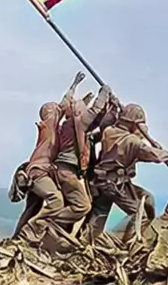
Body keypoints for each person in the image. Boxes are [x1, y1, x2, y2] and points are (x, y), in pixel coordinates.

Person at [85, 103, 168, 241]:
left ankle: (86, 241)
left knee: (147, 199)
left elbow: (130, 152)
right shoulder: (132, 141)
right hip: (115, 185)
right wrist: (161, 150)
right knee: (139, 215)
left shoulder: (109, 131)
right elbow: (156, 156)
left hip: (106, 182)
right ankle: (122, 242)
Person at [53, 74, 114, 232]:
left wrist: (110, 108)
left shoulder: (71, 126)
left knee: (77, 204)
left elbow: (96, 121)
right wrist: (105, 91)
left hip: (68, 170)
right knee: (83, 206)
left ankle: (58, 232)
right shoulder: (77, 124)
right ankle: (46, 222)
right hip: (67, 171)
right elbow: (95, 111)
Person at [12, 100, 65, 241]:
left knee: (32, 208)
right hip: (38, 173)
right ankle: (30, 230)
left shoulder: (53, 129)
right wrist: (72, 93)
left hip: (36, 172)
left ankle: (16, 238)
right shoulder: (48, 125)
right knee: (56, 200)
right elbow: (63, 107)